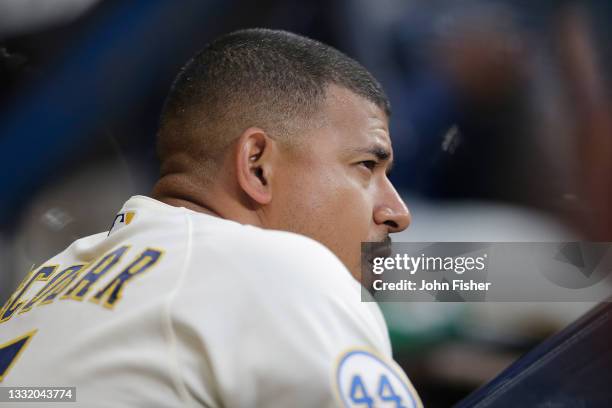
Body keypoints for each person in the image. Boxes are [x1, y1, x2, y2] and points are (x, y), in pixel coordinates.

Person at [0, 29, 421, 407]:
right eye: (366, 165)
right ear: (257, 165)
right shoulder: (284, 271)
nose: (397, 213)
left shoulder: (49, 278)